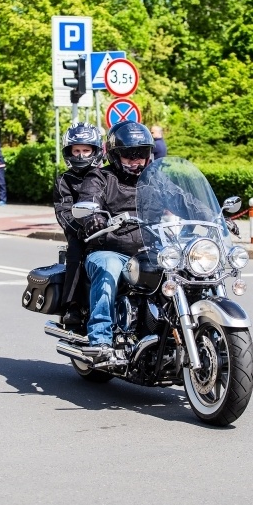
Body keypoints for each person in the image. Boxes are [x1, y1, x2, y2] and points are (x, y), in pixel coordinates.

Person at [76, 121, 155, 359]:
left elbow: (180, 198)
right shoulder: (100, 177)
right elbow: (90, 197)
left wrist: (216, 215)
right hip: (111, 248)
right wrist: (92, 217)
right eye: (128, 155)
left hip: (150, 250)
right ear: (114, 154)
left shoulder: (153, 180)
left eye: (140, 154)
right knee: (109, 267)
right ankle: (100, 338)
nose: (135, 160)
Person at [53, 122, 104, 326]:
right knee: (76, 251)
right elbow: (63, 211)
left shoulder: (105, 175)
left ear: (95, 151)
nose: (81, 155)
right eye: (77, 150)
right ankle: (72, 305)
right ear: (69, 152)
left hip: (108, 229)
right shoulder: (65, 180)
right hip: (80, 231)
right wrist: (82, 229)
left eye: (86, 150)